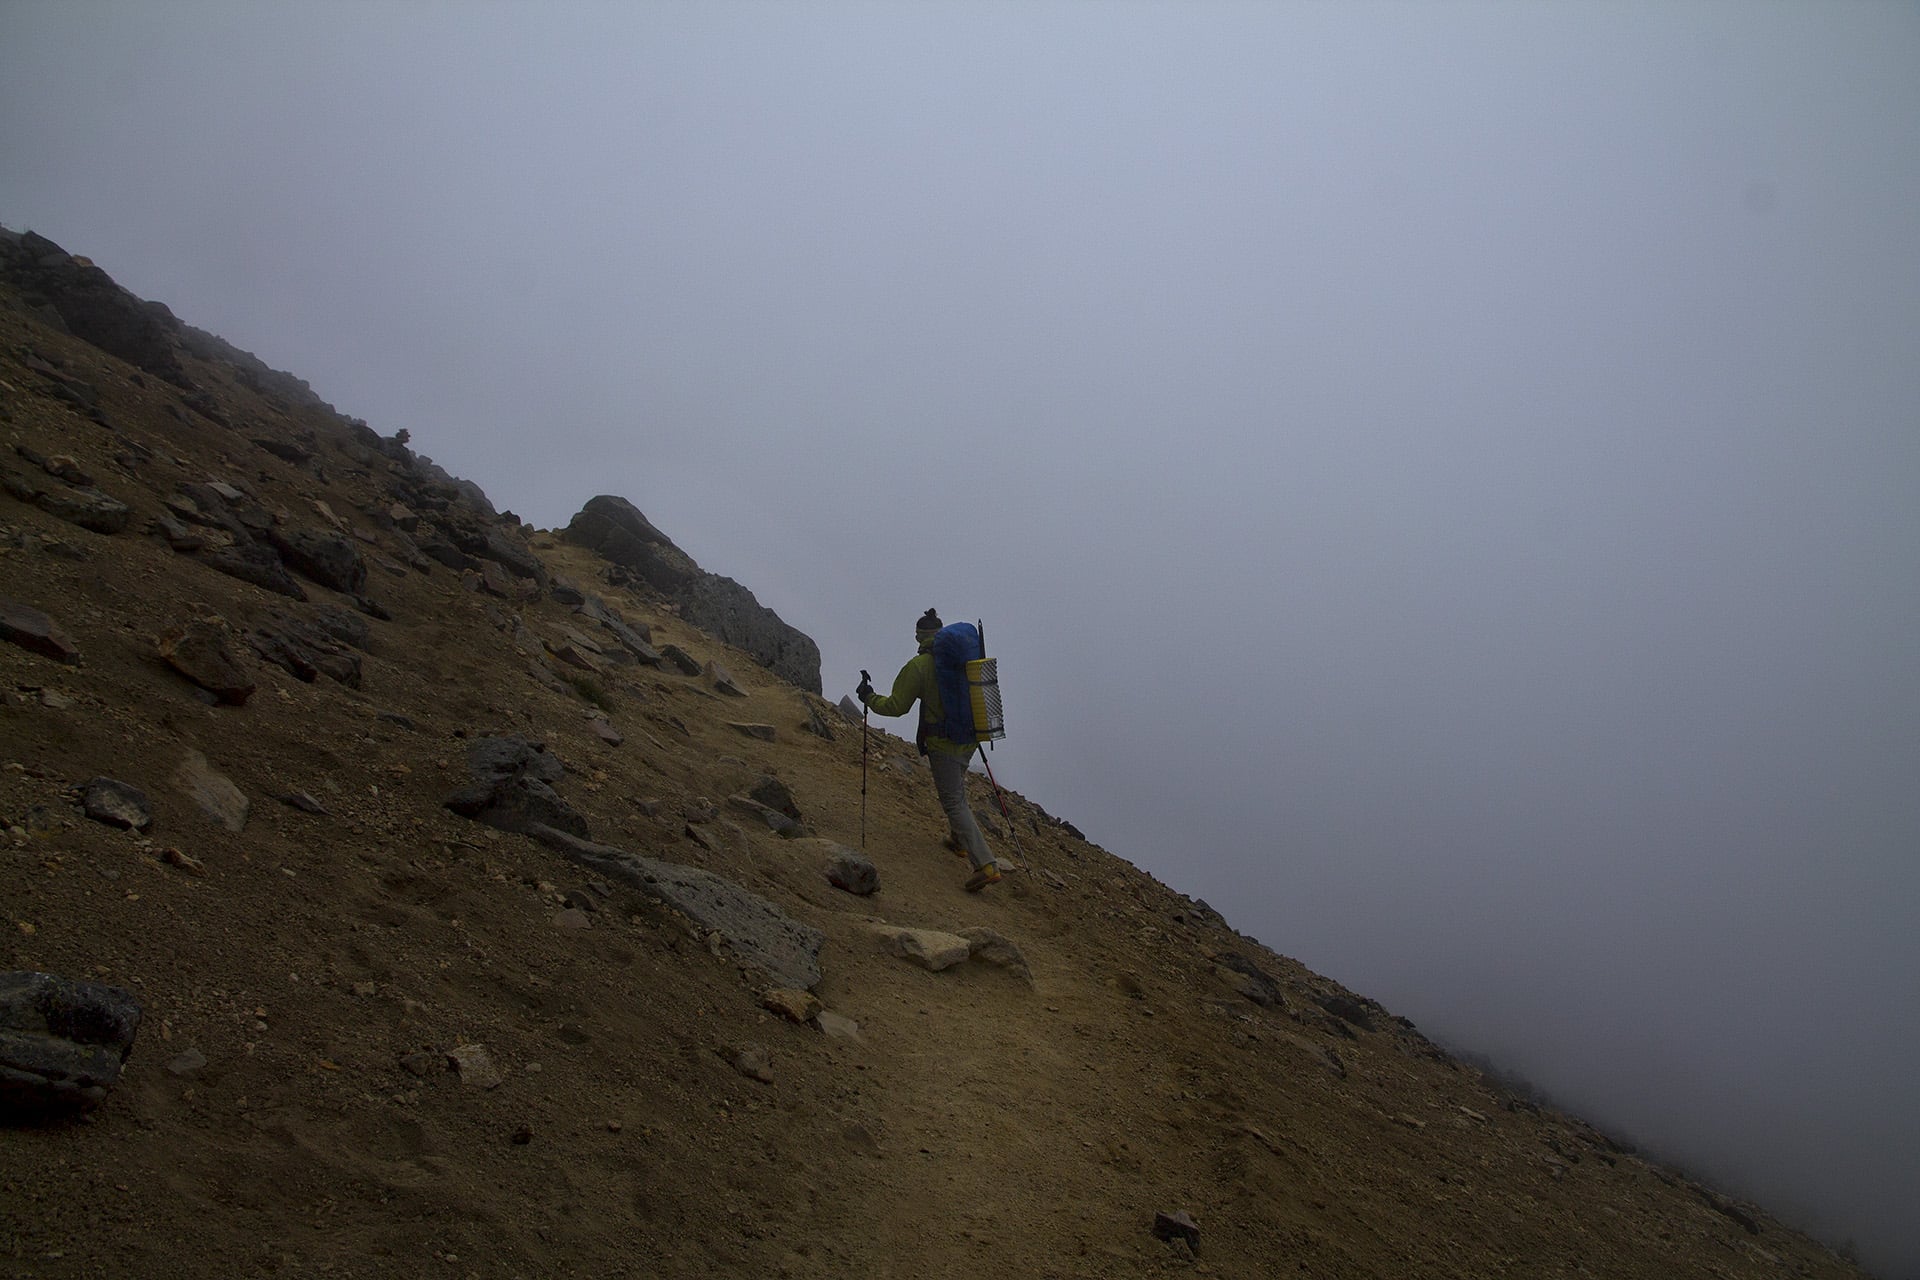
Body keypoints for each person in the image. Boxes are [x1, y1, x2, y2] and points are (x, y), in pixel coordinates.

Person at [858, 608, 1001, 891]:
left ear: (919, 637)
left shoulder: (920, 666)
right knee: (956, 789)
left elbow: (897, 707)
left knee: (953, 801)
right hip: (971, 737)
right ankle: (958, 842)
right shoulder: (962, 658)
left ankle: (986, 864)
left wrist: (869, 697)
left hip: (942, 743)